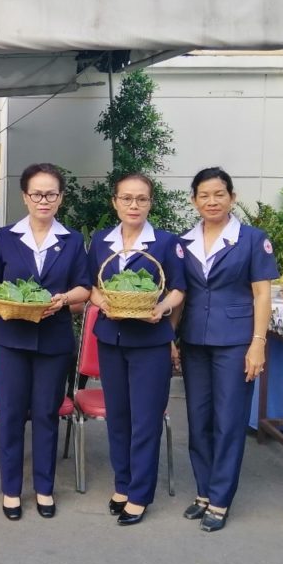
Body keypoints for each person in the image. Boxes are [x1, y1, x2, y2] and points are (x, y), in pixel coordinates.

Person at [0, 163, 91, 520]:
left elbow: (84, 288)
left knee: (45, 414)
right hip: (10, 339)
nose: (44, 200)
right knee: (10, 413)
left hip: (54, 340)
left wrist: (64, 298)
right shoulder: (6, 236)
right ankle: (12, 490)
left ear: (60, 198)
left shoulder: (72, 241)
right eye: (37, 193)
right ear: (25, 197)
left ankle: (44, 488)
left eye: (51, 194)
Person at [172, 167, 277, 532]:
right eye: (204, 195)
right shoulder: (184, 242)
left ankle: (220, 498)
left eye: (219, 194)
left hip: (235, 341)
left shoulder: (252, 239)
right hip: (194, 340)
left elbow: (262, 294)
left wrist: (258, 343)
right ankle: (203, 491)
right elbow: (181, 294)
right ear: (193, 200)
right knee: (198, 418)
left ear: (232, 197)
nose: (212, 201)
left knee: (229, 420)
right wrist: (171, 338)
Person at [87, 173, 186, 526]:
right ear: (114, 202)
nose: (134, 205)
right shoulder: (101, 241)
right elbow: (91, 285)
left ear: (150, 203)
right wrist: (103, 303)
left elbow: (178, 289)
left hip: (150, 342)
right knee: (118, 416)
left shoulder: (166, 242)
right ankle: (123, 484)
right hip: (111, 338)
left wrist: (161, 308)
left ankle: (140, 494)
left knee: (145, 419)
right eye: (127, 198)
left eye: (142, 199)